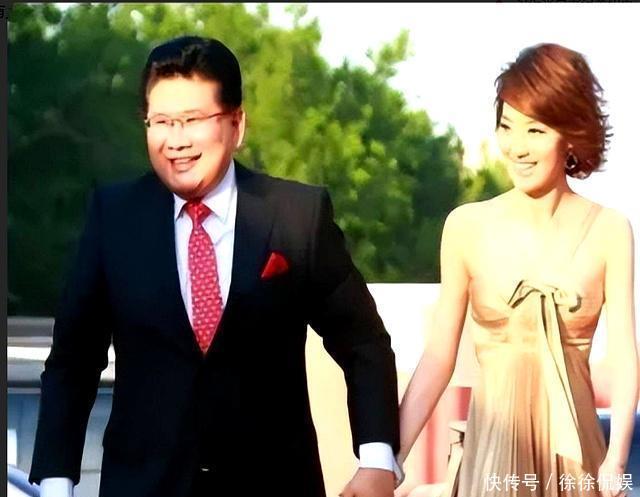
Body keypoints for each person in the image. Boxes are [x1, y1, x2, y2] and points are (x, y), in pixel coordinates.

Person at [29, 36, 403, 497]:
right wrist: (56, 485)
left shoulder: (295, 216)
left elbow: (362, 341)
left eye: (193, 120)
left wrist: (377, 460)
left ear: (236, 124)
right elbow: (73, 361)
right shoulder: (114, 218)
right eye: (161, 122)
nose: (176, 141)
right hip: (145, 486)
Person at [396, 43, 637, 497]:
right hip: (492, 455)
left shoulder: (609, 230)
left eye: (536, 130)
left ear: (571, 133)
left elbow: (625, 355)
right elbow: (438, 357)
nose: (517, 147)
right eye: (506, 127)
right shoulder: (466, 226)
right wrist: (390, 458)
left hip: (577, 462)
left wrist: (616, 459)